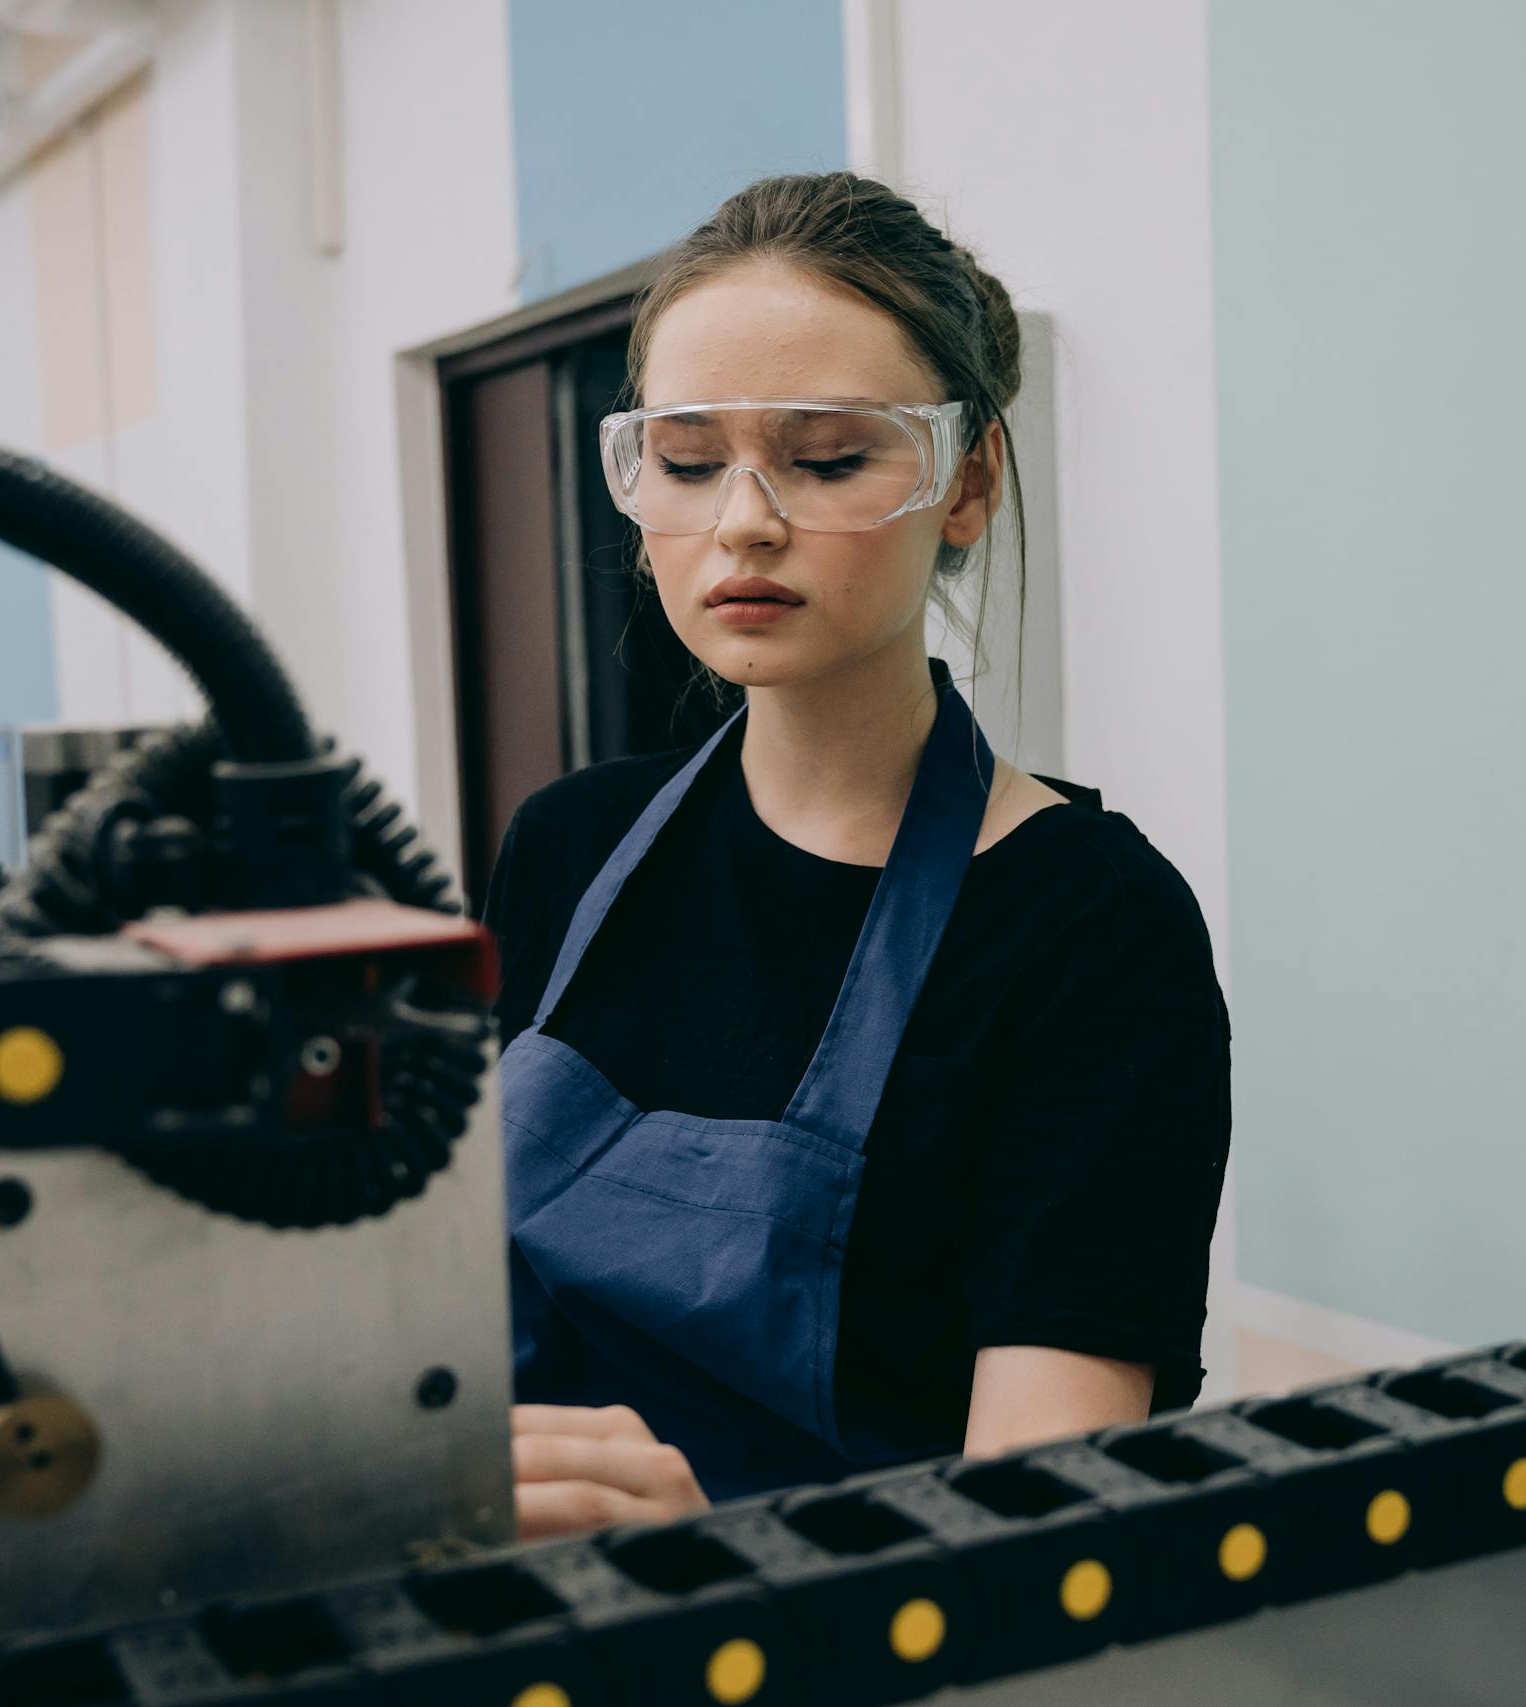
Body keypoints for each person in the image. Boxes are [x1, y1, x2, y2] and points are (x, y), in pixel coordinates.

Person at [482, 171, 1231, 1539]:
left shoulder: (1089, 929)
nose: (746, 521)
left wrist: (703, 1556)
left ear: (967, 483)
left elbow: (1040, 1526)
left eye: (828, 459)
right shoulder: (566, 848)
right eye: (689, 461)